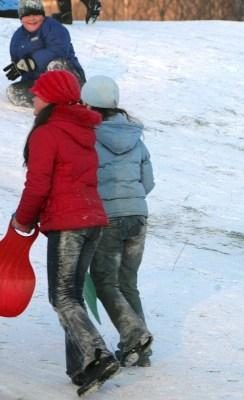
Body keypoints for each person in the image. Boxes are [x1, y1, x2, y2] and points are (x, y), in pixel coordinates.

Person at [10, 70, 120, 397]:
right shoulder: (81, 127)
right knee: (71, 295)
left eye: (39, 92)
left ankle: (98, 354)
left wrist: (22, 220)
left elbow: (38, 185)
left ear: (52, 97)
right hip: (91, 221)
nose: (33, 97)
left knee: (61, 297)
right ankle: (81, 366)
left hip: (69, 223)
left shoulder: (47, 133)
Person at [82, 76, 154, 367]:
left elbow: (87, 179)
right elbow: (147, 182)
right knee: (128, 282)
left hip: (108, 218)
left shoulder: (88, 136)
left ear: (88, 103)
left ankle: (135, 336)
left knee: (104, 283)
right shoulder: (136, 137)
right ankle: (140, 351)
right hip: (138, 216)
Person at [3, 0, 85, 108]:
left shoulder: (53, 27)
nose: (32, 18)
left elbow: (58, 50)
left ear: (43, 15)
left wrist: (32, 62)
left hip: (68, 76)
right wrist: (20, 67)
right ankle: (50, 102)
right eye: (27, 15)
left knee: (56, 64)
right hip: (42, 82)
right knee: (14, 91)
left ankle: (75, 97)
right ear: (21, 18)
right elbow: (21, 63)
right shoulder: (17, 38)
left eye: (36, 14)